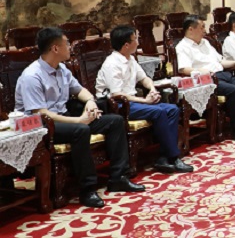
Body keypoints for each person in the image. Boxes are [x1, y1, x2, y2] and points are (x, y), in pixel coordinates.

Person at [15, 27, 145, 208]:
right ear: (55, 48)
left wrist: (90, 102)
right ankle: (87, 189)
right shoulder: (32, 76)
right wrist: (79, 120)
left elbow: (80, 90)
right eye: (67, 43)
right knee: (81, 129)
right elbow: (40, 113)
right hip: (40, 126)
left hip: (63, 117)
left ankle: (118, 177)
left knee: (115, 121)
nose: (70, 47)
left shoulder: (62, 69)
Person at [96, 26, 193, 174]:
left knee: (173, 109)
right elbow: (117, 94)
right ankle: (173, 157)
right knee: (159, 112)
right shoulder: (111, 64)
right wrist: (145, 101)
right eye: (135, 39)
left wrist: (152, 89)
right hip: (119, 105)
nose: (138, 42)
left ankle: (163, 158)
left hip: (133, 101)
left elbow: (144, 78)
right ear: (126, 45)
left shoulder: (130, 59)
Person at [176, 15, 235, 142]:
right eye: (202, 27)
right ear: (190, 29)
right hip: (207, 80)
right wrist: (202, 71)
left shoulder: (205, 42)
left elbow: (221, 61)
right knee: (234, 90)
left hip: (223, 74)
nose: (205, 30)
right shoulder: (182, 47)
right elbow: (183, 69)